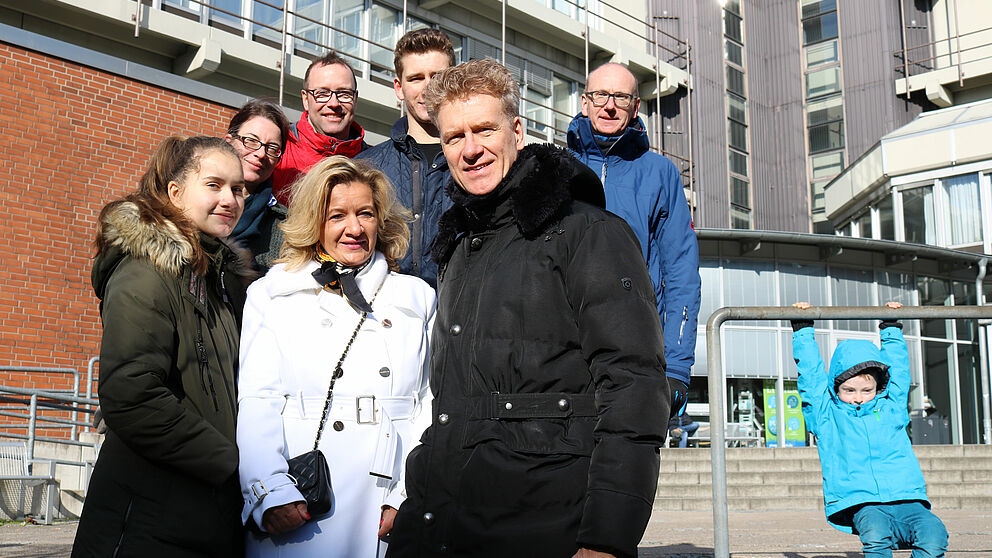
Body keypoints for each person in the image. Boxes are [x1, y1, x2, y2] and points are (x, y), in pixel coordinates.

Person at [386, 59, 670, 558]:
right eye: (454, 137)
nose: (470, 149)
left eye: (484, 130)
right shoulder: (457, 243)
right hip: (447, 517)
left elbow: (633, 385)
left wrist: (607, 536)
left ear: (516, 130)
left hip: (549, 521)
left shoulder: (590, 232)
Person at [237, 156, 435, 557]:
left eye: (365, 213)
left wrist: (406, 495)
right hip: (302, 500)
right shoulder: (272, 294)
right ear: (314, 222)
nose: (355, 229)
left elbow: (428, 404)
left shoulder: (417, 297)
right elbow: (258, 400)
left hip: (383, 504)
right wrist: (269, 492)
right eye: (337, 216)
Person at [72, 136, 253, 557]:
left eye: (238, 189)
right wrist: (231, 463)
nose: (229, 199)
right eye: (214, 185)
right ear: (175, 191)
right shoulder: (145, 273)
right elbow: (131, 395)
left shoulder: (221, 281)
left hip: (202, 515)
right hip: (144, 520)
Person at [567, 63, 700, 420]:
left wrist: (676, 368)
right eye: (600, 95)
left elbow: (681, 274)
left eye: (621, 97)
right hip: (564, 351)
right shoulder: (556, 168)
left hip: (637, 350)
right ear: (584, 103)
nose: (609, 105)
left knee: (626, 470)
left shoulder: (660, 173)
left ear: (636, 107)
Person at [791, 301, 948, 558]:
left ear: (878, 389)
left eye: (866, 390)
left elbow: (898, 374)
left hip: (906, 498)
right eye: (849, 390)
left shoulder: (891, 409)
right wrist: (803, 330)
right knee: (876, 538)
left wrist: (891, 328)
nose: (858, 397)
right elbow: (811, 378)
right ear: (836, 388)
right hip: (863, 502)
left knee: (934, 535)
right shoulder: (826, 416)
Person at [358, 28, 455, 287]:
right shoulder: (367, 167)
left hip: (459, 316)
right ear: (399, 88)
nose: (427, 88)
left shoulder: (477, 163)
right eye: (416, 78)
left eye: (437, 76)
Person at [272, 52, 368, 204]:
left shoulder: (375, 160)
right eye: (322, 93)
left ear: (355, 100)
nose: (334, 103)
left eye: (344, 93)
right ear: (305, 99)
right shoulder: (278, 148)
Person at [226, 99, 291, 271]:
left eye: (272, 148)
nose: (261, 154)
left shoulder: (285, 228)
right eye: (251, 141)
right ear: (229, 141)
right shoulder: (191, 203)